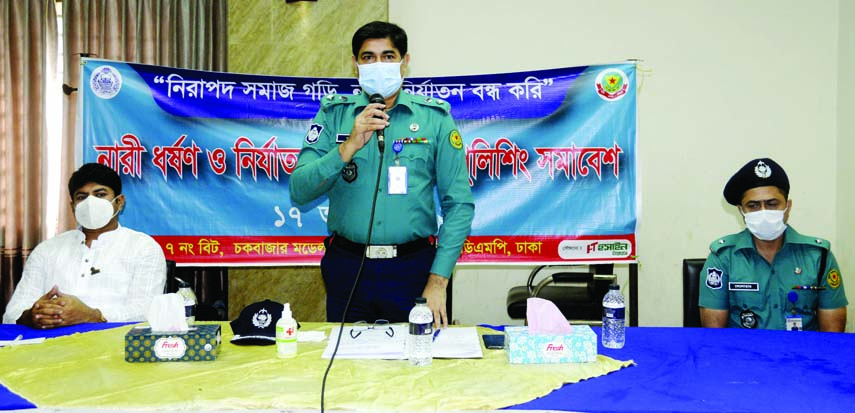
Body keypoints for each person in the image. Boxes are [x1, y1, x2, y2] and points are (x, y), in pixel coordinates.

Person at [290, 21, 474, 328]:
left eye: (388, 57)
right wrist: (348, 145)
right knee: (348, 370)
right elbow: (300, 189)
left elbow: (459, 205)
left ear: (405, 63)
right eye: (368, 57)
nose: (379, 65)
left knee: (414, 369)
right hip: (348, 268)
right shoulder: (334, 114)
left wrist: (438, 281)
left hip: (413, 271)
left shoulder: (435, 118)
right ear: (355, 64)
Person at [3, 163, 166, 328]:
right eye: (81, 197)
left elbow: (146, 311)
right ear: (73, 207)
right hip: (49, 346)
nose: (90, 203)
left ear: (119, 202)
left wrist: (92, 315)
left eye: (100, 194)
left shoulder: (143, 247)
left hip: (114, 347)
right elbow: (11, 314)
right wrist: (31, 315)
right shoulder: (47, 250)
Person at [699, 158, 847, 331]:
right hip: (744, 356)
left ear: (788, 206)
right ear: (741, 211)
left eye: (772, 204)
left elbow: (833, 336)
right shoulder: (723, 258)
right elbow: (714, 335)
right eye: (753, 205)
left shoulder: (818, 257)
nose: (764, 212)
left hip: (803, 356)